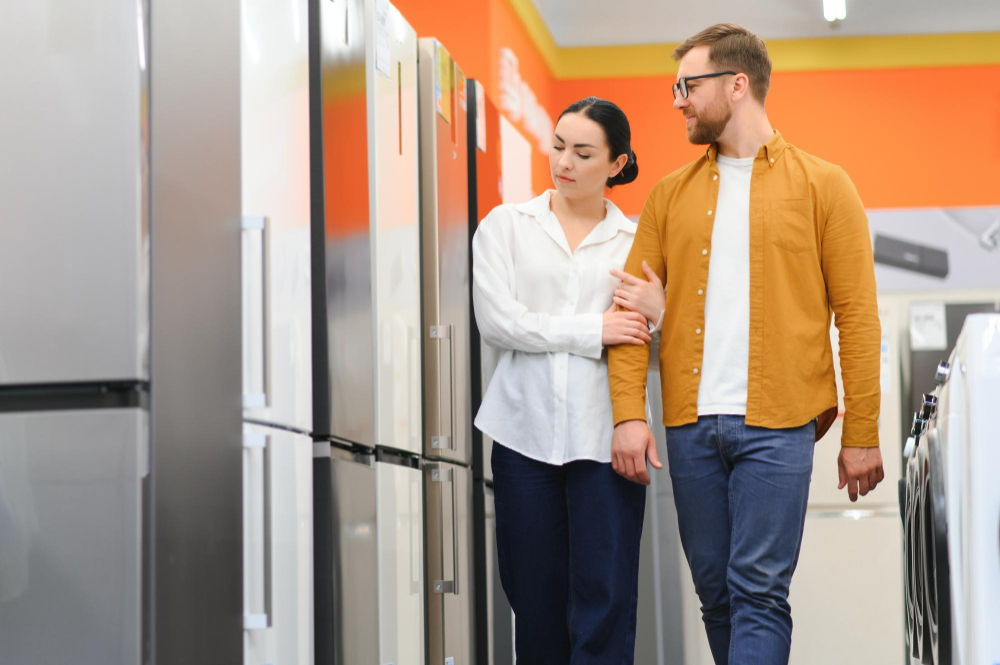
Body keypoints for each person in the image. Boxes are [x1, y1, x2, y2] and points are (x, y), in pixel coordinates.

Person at [607, 24, 885, 665]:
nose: (676, 100)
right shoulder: (667, 196)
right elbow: (626, 314)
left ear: (736, 86)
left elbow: (859, 318)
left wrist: (861, 430)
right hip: (689, 424)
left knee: (757, 591)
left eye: (687, 85)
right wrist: (628, 413)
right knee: (717, 595)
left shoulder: (825, 186)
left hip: (781, 422)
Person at [472, 97, 662, 664]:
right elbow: (498, 323)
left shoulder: (636, 242)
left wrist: (661, 311)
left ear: (617, 164)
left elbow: (649, 345)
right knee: (534, 601)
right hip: (521, 437)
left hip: (606, 442)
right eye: (558, 146)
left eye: (583, 153)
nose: (564, 162)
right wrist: (594, 330)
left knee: (606, 598)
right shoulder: (507, 226)